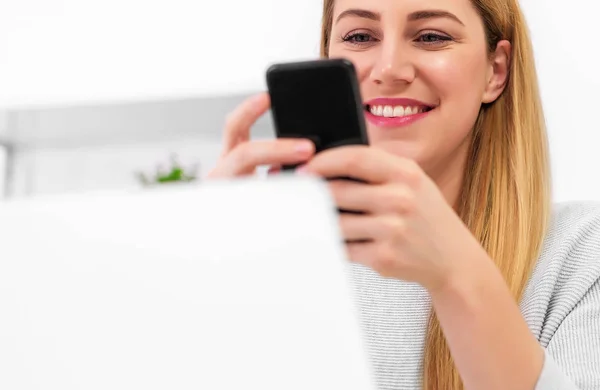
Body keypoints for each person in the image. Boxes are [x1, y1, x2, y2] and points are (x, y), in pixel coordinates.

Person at [207, 0, 600, 389]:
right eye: (360, 36)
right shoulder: (276, 254)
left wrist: (455, 273)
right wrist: (202, 271)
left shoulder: (582, 254)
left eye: (431, 36)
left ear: (495, 71)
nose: (389, 69)